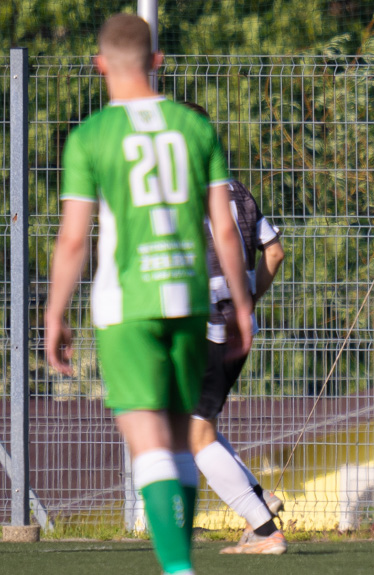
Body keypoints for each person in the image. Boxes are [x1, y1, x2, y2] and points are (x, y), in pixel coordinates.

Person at [45, 14, 253, 575]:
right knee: (183, 438)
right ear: (157, 63)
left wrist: (55, 314)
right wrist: (241, 304)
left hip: (125, 307)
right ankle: (181, 564)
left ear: (100, 65)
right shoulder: (194, 128)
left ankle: (178, 569)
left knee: (148, 439)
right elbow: (227, 229)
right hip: (188, 301)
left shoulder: (90, 135)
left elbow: (72, 239)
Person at [179, 102, 288, 555]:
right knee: (202, 421)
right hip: (242, 325)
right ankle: (259, 496)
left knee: (193, 432)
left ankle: (263, 528)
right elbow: (275, 253)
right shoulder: (238, 191)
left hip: (206, 328)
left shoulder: (182, 194)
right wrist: (249, 299)